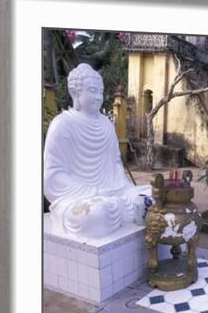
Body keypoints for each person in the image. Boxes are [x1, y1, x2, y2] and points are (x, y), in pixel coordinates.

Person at [43, 63, 150, 238]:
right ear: (76, 93)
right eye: (92, 90)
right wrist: (93, 192)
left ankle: (119, 207)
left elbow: (115, 164)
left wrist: (122, 186)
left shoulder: (106, 124)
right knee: (93, 217)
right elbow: (54, 176)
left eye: (100, 91)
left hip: (114, 190)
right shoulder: (63, 124)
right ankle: (112, 211)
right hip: (82, 197)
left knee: (149, 196)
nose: (99, 96)